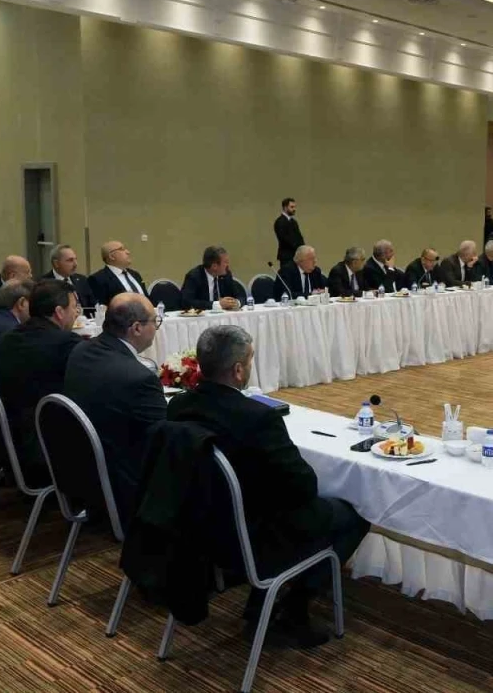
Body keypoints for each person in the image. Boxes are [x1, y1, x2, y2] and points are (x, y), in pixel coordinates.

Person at [168, 326, 370, 647]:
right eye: (250, 360)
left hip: (195, 528)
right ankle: (293, 609)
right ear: (238, 370)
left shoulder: (178, 407)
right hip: (251, 536)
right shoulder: (259, 418)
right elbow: (303, 485)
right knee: (355, 516)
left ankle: (262, 602)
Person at [64, 293, 166, 525]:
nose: (156, 328)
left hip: (79, 470)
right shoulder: (139, 377)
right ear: (136, 328)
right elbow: (163, 440)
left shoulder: (81, 351)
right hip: (123, 484)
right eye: (155, 321)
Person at [0, 279, 84, 478]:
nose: (76, 313)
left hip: (11, 436)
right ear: (59, 312)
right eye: (74, 307)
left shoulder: (8, 337)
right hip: (49, 444)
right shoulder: (66, 344)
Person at [180, 246, 242, 311]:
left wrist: (236, 303)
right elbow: (187, 302)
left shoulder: (226, 275)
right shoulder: (194, 277)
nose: (228, 265)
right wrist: (217, 304)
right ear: (214, 266)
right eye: (225, 262)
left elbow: (241, 296)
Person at [88, 241, 146, 307]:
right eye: (122, 249)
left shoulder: (135, 274)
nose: (128, 252)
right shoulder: (98, 279)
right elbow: (101, 307)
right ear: (112, 256)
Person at [42, 244, 96, 312]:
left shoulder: (82, 280)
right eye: (70, 260)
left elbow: (93, 306)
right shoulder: (43, 284)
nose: (75, 264)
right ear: (56, 263)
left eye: (75, 259)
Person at [274, 197, 304, 268]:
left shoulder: (294, 222)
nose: (294, 209)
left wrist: (303, 249)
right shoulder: (280, 221)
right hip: (286, 256)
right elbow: (284, 239)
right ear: (285, 208)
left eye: (295, 207)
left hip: (296, 255)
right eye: (292, 207)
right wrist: (297, 247)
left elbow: (299, 237)